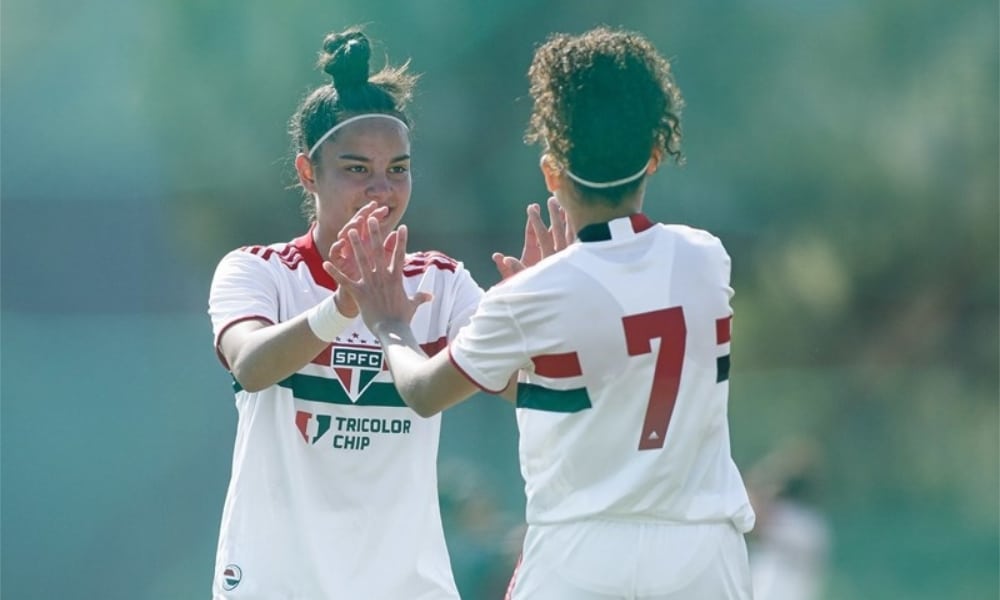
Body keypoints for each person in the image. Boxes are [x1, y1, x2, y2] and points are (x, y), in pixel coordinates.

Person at [326, 27, 757, 599]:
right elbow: (623, 324)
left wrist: (390, 324)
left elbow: (425, 392)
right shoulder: (707, 257)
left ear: (552, 172)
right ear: (655, 156)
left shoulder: (532, 296)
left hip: (578, 554)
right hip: (705, 554)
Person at [206, 27, 485, 599]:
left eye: (399, 168)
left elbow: (516, 381)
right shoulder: (259, 271)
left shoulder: (444, 282)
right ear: (309, 172)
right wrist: (343, 305)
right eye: (357, 169)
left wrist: (539, 299)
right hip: (275, 584)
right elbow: (251, 366)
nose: (382, 188)